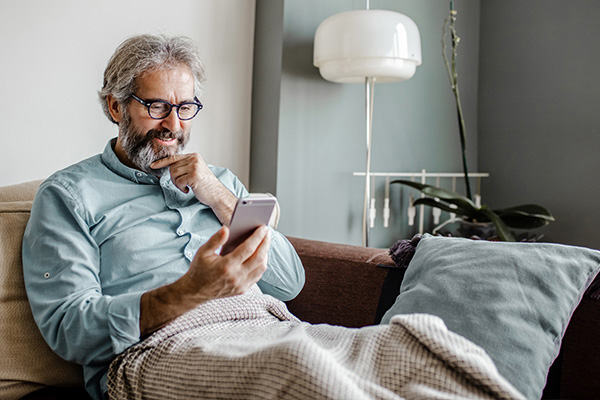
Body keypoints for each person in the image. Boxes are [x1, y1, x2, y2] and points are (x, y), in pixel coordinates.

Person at [22, 34, 305, 400]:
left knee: (391, 356)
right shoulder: (69, 196)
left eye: (185, 107)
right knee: (300, 375)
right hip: (155, 351)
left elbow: (290, 282)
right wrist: (189, 293)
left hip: (263, 329)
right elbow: (70, 328)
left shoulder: (219, 181)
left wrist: (220, 197)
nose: (173, 124)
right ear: (115, 107)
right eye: (156, 106)